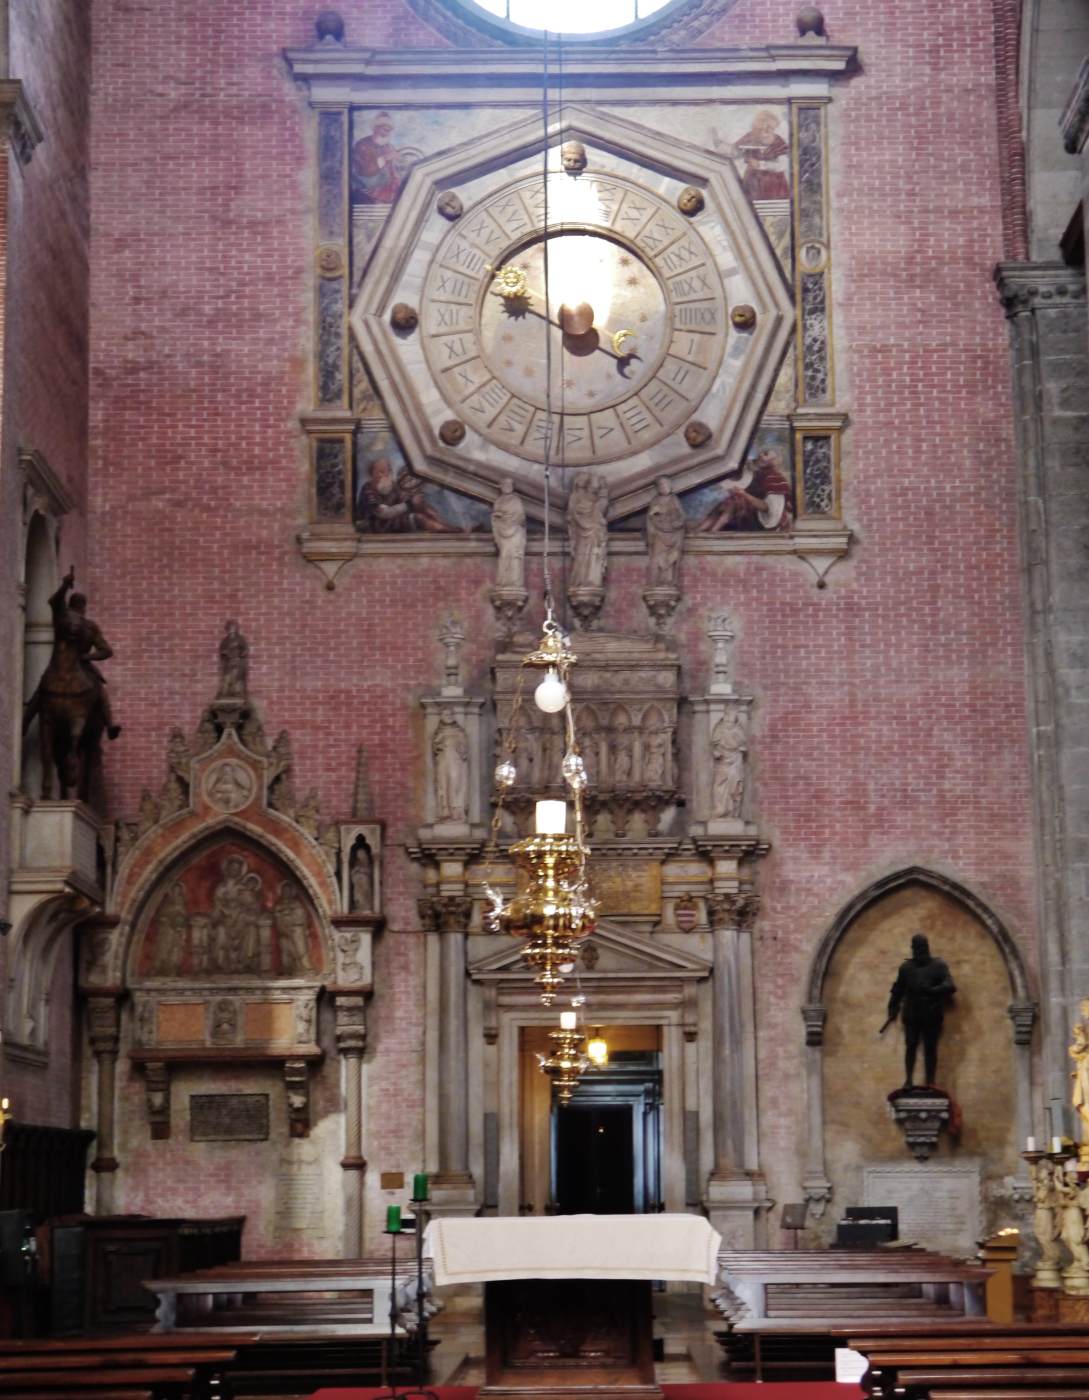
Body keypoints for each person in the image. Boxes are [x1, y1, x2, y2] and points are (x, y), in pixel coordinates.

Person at [25, 567, 122, 739]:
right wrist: (87, 656)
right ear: (84, 607)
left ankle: (25, 721)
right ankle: (110, 725)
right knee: (100, 691)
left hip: (63, 664)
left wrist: (64, 586)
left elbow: (54, 601)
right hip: (82, 664)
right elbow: (106, 651)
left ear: (70, 604)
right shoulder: (89, 626)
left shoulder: (63, 618)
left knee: (40, 693)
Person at [885, 933, 956, 1088]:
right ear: (913, 949)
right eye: (917, 948)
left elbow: (950, 986)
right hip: (912, 1014)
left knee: (930, 1048)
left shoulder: (938, 965)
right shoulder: (906, 968)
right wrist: (892, 1006)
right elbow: (897, 989)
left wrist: (932, 990)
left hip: (931, 1013)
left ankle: (930, 1081)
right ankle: (909, 1080)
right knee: (911, 1045)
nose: (920, 951)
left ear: (927, 947)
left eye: (922, 947)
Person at [356, 456, 461, 533]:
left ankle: (444, 524)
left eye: (389, 470)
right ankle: (448, 530)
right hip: (378, 525)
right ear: (372, 474)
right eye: (381, 472)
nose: (387, 474)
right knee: (418, 518)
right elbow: (383, 513)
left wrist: (416, 501)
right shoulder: (368, 489)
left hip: (393, 520)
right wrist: (410, 503)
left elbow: (405, 498)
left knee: (422, 506)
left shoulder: (393, 486)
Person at [696, 450, 792, 533]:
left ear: (773, 462)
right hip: (736, 513)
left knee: (734, 501)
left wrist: (744, 494)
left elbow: (767, 508)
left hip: (756, 522)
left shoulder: (774, 478)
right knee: (723, 504)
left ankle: (713, 531)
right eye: (763, 452)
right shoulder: (749, 466)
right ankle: (701, 530)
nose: (762, 456)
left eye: (767, 456)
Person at [717, 110, 790, 201]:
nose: (763, 132)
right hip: (752, 183)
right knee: (749, 209)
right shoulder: (750, 137)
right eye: (759, 129)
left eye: (768, 128)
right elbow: (735, 151)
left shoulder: (778, 141)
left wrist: (761, 165)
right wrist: (721, 147)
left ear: (773, 128)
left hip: (774, 184)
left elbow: (783, 164)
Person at [351, 111, 406, 204]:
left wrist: (400, 161)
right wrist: (385, 158)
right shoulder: (363, 145)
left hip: (388, 188)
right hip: (368, 188)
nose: (387, 133)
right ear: (376, 129)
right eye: (385, 129)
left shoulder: (388, 146)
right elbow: (365, 171)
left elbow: (394, 169)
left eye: (389, 130)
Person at [568, 470, 608, 589]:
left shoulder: (596, 500)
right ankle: (581, 579)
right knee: (582, 556)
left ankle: (591, 579)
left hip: (594, 533)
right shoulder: (576, 498)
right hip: (582, 533)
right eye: (591, 485)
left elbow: (601, 507)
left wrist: (603, 494)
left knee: (593, 556)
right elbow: (574, 513)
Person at [645, 476, 686, 587]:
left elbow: (681, 516)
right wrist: (653, 514)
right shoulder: (655, 500)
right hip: (659, 533)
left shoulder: (674, 499)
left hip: (674, 534)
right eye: (661, 485)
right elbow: (650, 517)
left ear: (670, 486)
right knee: (658, 557)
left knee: (672, 557)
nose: (664, 487)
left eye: (666, 484)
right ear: (658, 488)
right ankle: (658, 581)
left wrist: (678, 523)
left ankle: (669, 580)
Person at [491, 479, 526, 589]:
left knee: (514, 556)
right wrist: (497, 516)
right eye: (504, 484)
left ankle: (515, 582)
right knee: (504, 556)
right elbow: (495, 517)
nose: (507, 486)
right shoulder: (498, 501)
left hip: (515, 532)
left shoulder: (516, 500)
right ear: (501, 487)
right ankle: (504, 582)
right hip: (502, 532)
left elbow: (521, 516)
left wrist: (507, 518)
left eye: (509, 484)